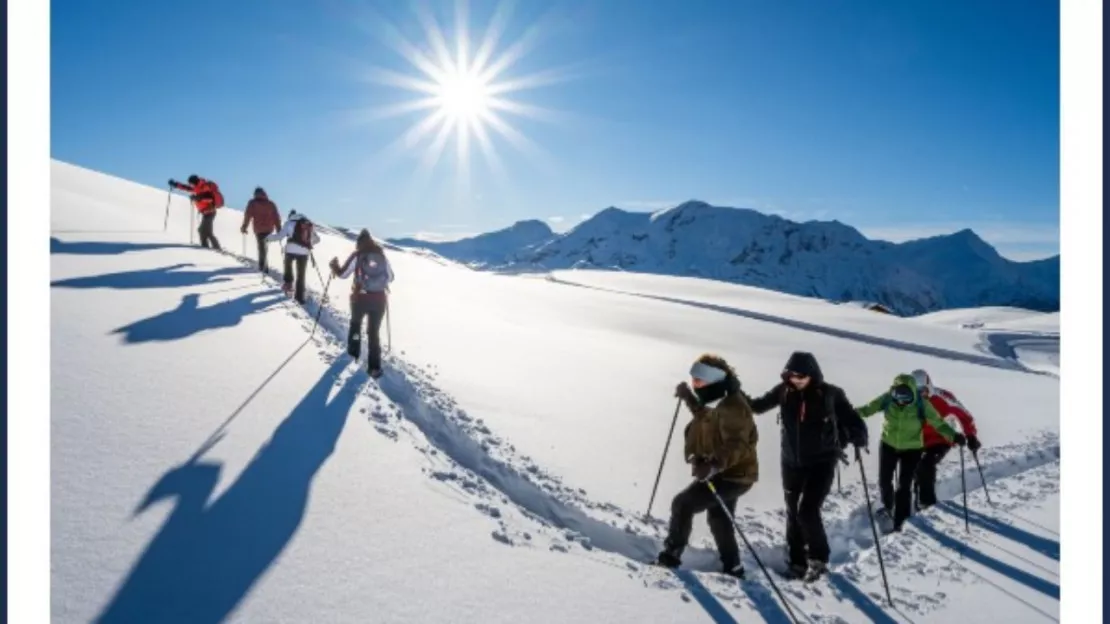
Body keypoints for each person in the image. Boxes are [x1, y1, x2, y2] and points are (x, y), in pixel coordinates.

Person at [746, 351, 868, 581]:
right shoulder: (783, 391)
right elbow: (757, 406)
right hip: (790, 461)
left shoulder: (830, 394)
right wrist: (732, 390)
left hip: (822, 461)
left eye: (801, 376)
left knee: (807, 511)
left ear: (812, 373)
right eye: (792, 376)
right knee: (793, 512)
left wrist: (858, 434)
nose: (797, 380)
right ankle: (796, 562)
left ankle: (818, 559)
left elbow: (853, 419)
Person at [654, 354, 758, 580]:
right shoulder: (717, 396)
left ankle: (670, 558)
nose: (695, 384)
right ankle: (734, 567)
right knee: (719, 518)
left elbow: (737, 445)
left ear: (714, 379)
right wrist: (688, 397)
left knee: (683, 503)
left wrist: (712, 464)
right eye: (693, 379)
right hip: (730, 471)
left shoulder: (733, 406)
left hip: (733, 474)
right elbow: (704, 416)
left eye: (699, 381)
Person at [856, 373, 966, 533]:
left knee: (904, 486)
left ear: (913, 393)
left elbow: (939, 423)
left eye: (905, 397)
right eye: (897, 396)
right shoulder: (887, 399)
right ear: (893, 391)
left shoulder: (922, 404)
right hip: (888, 445)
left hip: (912, 449)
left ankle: (901, 522)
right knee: (884, 481)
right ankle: (887, 507)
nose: (901, 401)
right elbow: (867, 409)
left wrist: (954, 436)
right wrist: (846, 416)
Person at [910, 369, 982, 510]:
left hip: (941, 438)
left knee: (926, 464)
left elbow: (963, 414)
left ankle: (927, 504)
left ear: (929, 387)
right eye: (916, 391)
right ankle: (911, 501)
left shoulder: (943, 397)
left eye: (923, 390)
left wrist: (970, 435)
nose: (920, 395)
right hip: (918, 440)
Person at [329, 230, 394, 378]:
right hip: (379, 300)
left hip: (360, 299)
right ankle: (374, 368)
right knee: (374, 333)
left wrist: (335, 266)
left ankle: (354, 355)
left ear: (359, 242)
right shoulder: (381, 256)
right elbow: (391, 277)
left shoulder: (357, 255)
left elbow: (343, 274)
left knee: (356, 327)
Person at [267, 209, 320, 304]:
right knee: (301, 275)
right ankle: (299, 298)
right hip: (304, 253)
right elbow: (317, 239)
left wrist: (268, 238)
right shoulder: (308, 224)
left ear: (290, 216)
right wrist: (307, 244)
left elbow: (279, 236)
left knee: (288, 265)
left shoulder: (289, 223)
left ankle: (288, 284)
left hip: (290, 250)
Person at [169, 174, 225, 250]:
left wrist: (198, 198)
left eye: (190, 183)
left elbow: (210, 199)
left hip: (210, 212)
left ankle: (215, 248)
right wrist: (175, 184)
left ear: (194, 182)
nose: (190, 185)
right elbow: (186, 188)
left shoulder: (205, 187)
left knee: (207, 231)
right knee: (202, 230)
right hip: (205, 213)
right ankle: (205, 247)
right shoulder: (197, 187)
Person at [240, 187, 282, 273]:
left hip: (259, 229)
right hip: (269, 229)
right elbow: (276, 217)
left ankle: (263, 268)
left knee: (261, 248)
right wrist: (279, 230)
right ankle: (263, 267)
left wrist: (244, 227)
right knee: (264, 248)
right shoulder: (271, 204)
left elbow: (248, 216)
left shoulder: (252, 203)